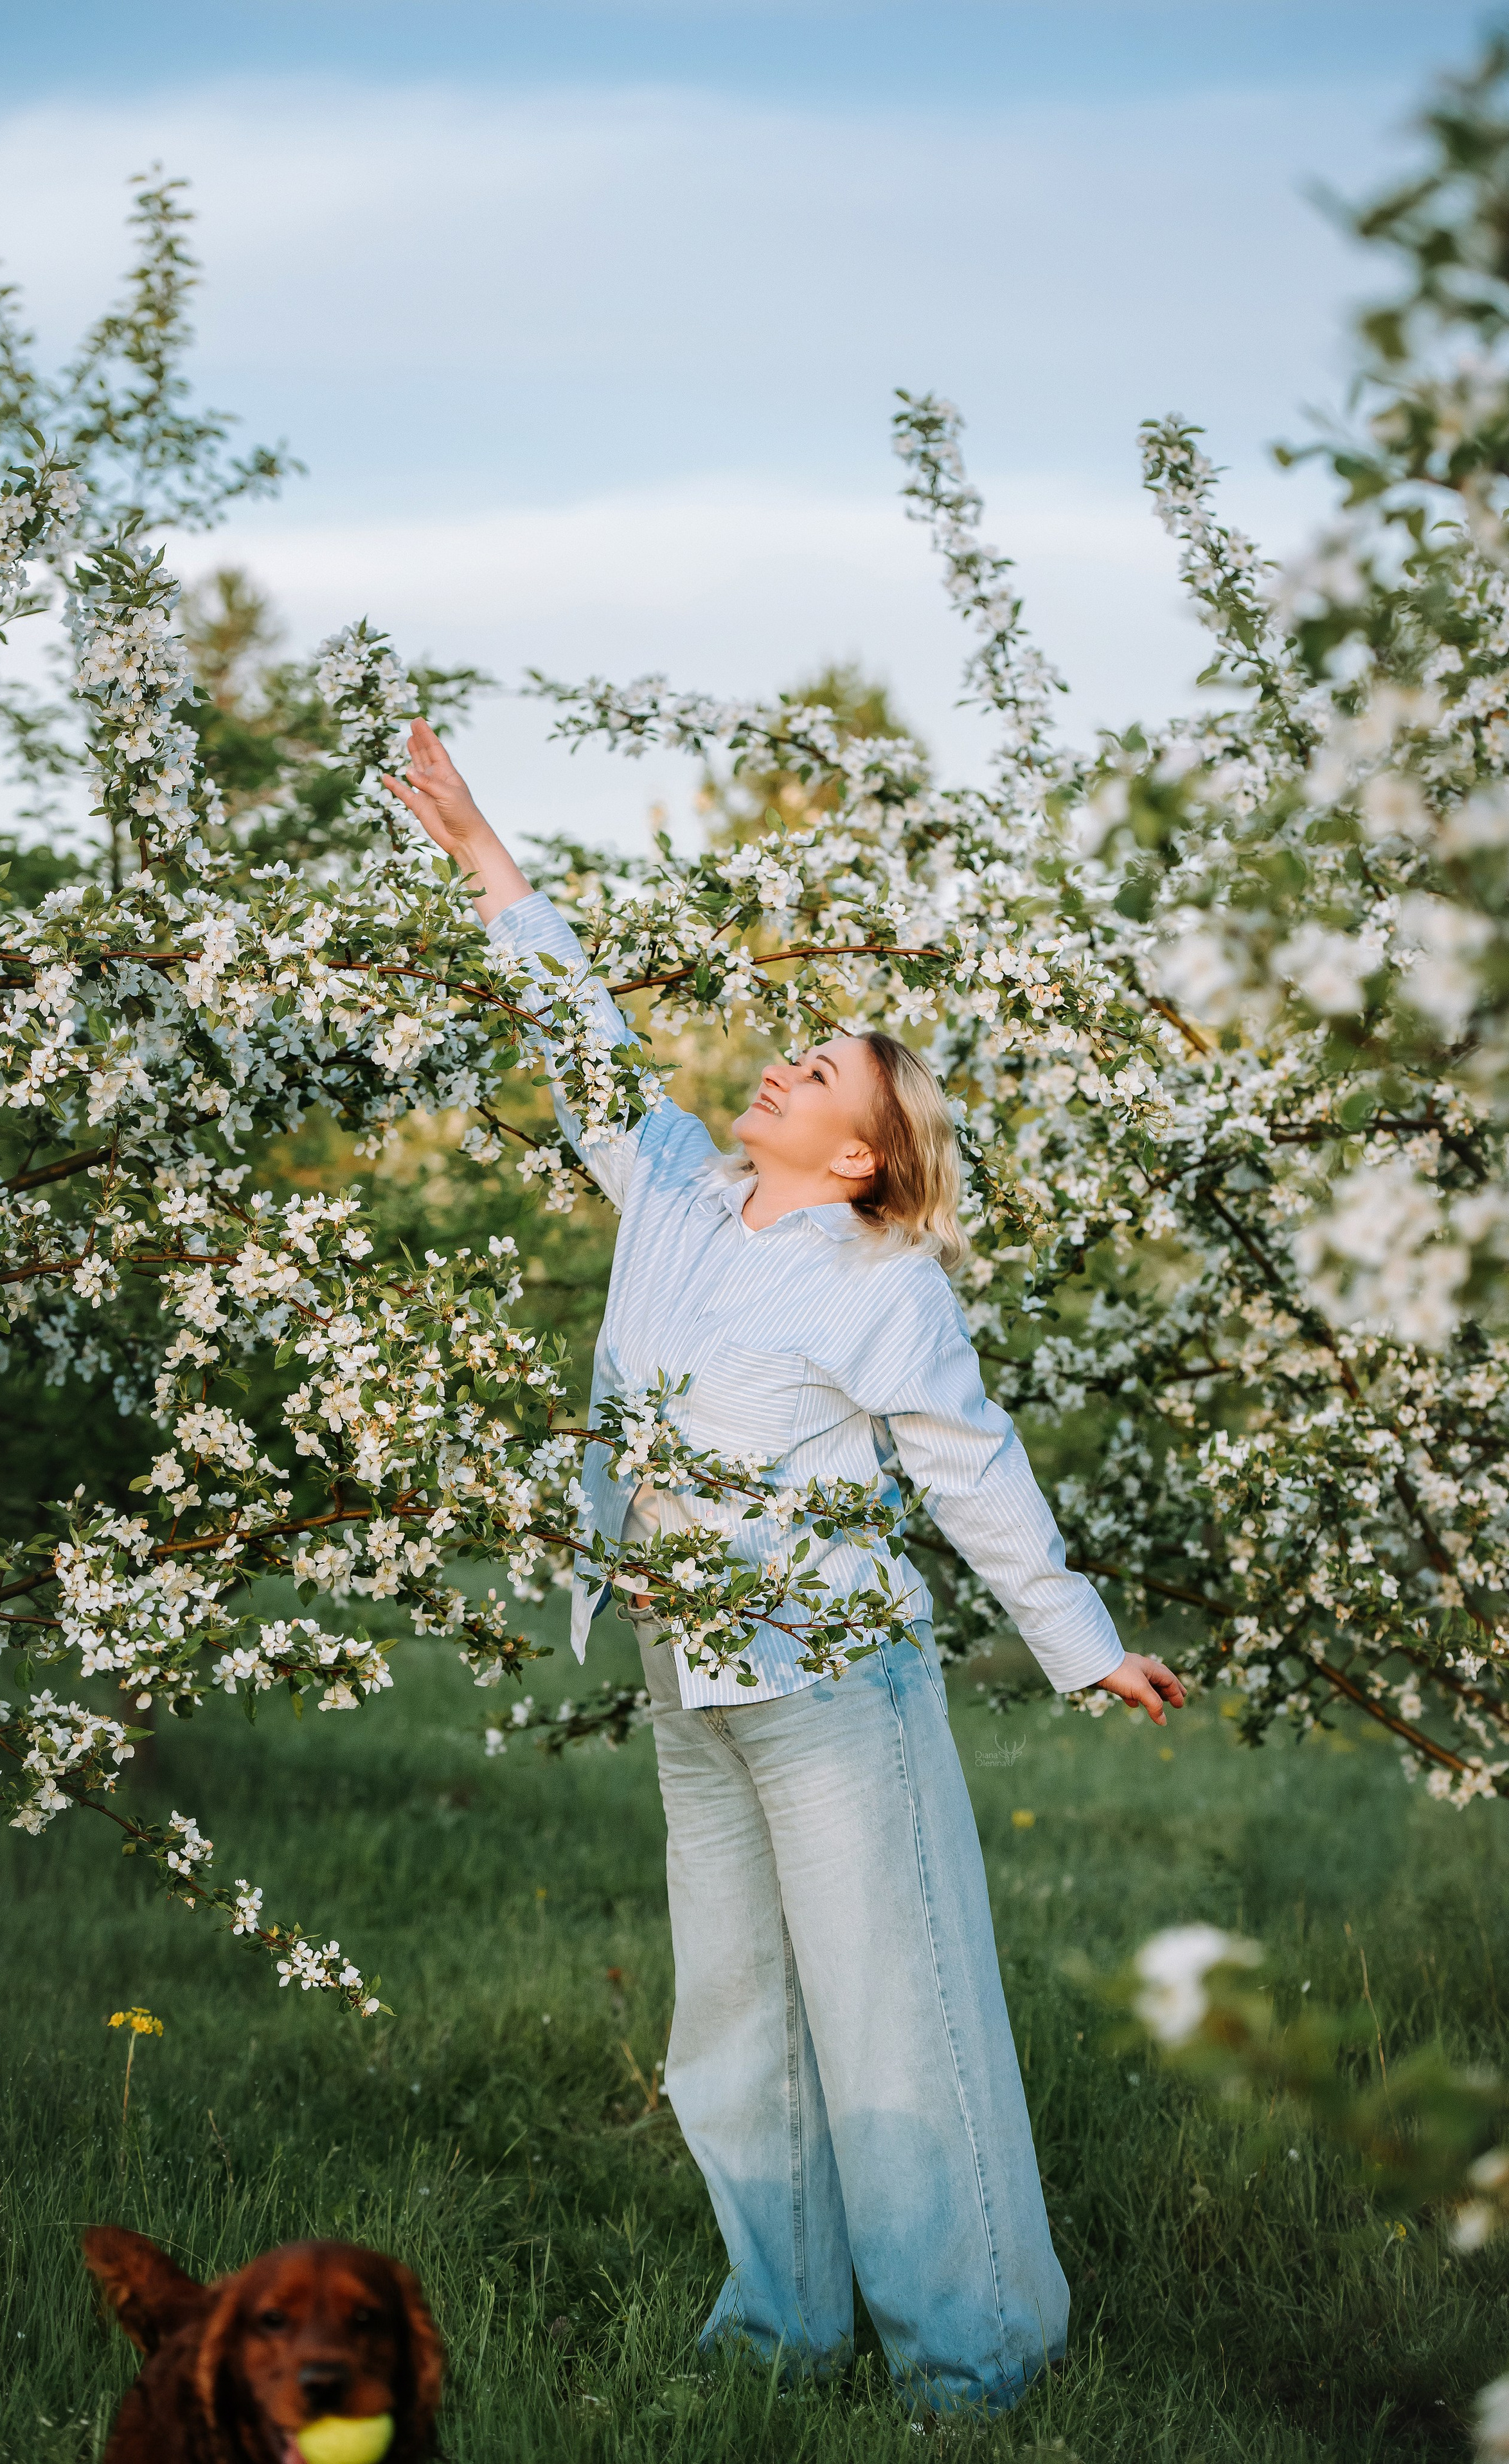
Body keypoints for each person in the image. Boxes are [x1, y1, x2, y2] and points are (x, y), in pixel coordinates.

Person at [384, 722, 1184, 2416]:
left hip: (834, 1687)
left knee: (899, 2026)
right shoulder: (674, 1189)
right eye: (792, 1054)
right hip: (695, 1673)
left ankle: (976, 2351)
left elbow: (974, 1462)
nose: (782, 1070)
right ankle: (781, 2322)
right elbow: (586, 1045)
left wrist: (1080, 1639)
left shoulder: (879, 1278)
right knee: (734, 2024)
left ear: (866, 1157)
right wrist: (484, 861)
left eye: (822, 1075)